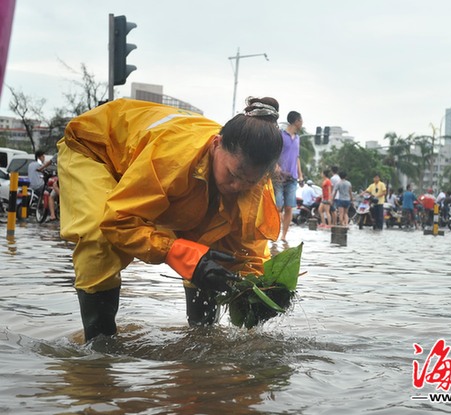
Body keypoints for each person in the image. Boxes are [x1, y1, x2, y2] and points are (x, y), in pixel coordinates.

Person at [57, 97, 283, 342]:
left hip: (153, 160)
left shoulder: (257, 185)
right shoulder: (171, 160)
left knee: (214, 247)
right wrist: (178, 254)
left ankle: (202, 337)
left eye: (248, 181)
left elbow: (247, 250)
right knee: (98, 238)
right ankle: (99, 348)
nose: (237, 186)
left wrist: (260, 290)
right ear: (216, 145)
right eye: (232, 174)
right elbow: (118, 221)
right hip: (96, 147)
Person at [274, 111, 304, 242]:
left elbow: (297, 157)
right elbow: (274, 153)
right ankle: (273, 232)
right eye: (301, 120)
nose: (302, 123)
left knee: (289, 207)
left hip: (293, 177)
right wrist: (276, 166)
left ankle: (283, 236)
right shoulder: (280, 135)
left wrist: (300, 175)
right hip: (279, 177)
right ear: (296, 121)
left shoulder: (298, 138)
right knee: (278, 206)